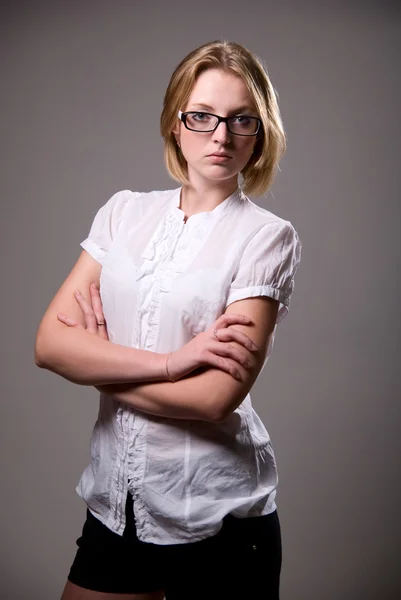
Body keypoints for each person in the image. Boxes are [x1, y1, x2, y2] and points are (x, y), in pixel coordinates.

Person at [35, 40, 302, 600]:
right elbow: (50, 346)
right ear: (175, 124)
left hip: (217, 514)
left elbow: (212, 399)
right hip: (117, 503)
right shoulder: (122, 212)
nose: (221, 136)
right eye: (202, 116)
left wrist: (98, 364)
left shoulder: (267, 237)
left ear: (260, 133)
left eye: (241, 120)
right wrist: (171, 363)